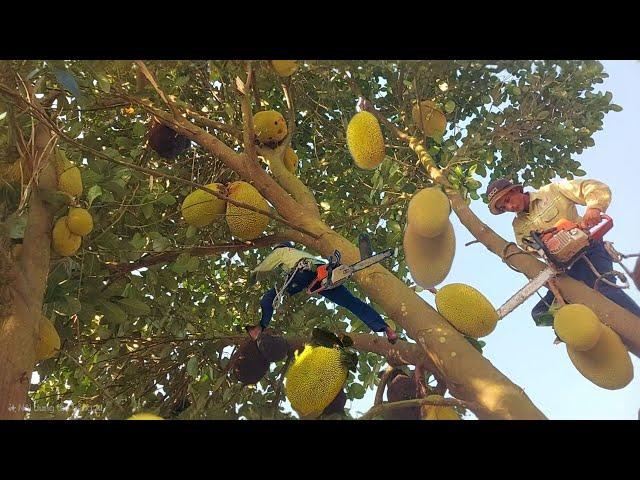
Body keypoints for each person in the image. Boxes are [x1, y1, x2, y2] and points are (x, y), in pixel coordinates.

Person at [485, 177, 640, 324]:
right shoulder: (518, 226)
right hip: (565, 268)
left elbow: (592, 187)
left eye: (507, 200)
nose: (509, 207)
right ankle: (582, 326)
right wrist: (544, 246)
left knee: (605, 292)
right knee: (541, 312)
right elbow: (529, 248)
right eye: (503, 207)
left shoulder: (552, 191)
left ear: (515, 190)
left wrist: (594, 208)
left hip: (589, 250)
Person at [245, 242, 398, 343]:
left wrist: (252, 275)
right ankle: (385, 328)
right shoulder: (300, 253)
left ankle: (260, 327)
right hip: (320, 274)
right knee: (352, 303)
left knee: (268, 298)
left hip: (301, 272)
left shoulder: (282, 251)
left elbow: (264, 267)